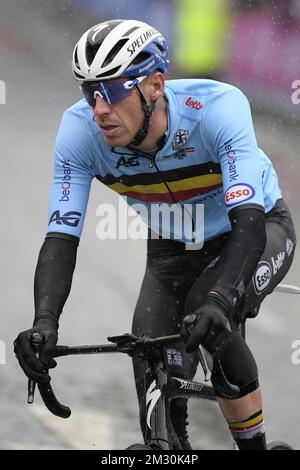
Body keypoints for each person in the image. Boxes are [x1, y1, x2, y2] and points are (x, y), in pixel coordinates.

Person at [14, 19, 296, 450]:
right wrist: (44, 323)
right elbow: (61, 237)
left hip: (255, 229)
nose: (99, 110)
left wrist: (222, 299)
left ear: (155, 85)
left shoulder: (218, 108)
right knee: (150, 351)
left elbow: (249, 223)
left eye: (110, 91)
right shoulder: (79, 132)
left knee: (210, 316)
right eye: (89, 93)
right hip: (173, 244)